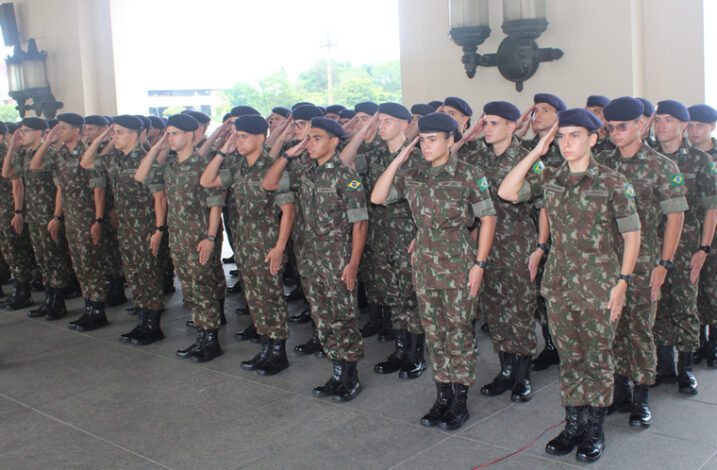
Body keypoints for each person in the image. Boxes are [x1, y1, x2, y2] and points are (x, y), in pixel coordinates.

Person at [498, 108, 640, 462]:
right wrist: (538, 149)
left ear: (594, 139)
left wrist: (622, 283)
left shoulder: (612, 182)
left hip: (599, 285)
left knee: (597, 359)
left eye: (575, 135)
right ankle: (573, 423)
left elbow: (632, 235)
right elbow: (506, 190)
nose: (567, 143)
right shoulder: (551, 178)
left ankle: (594, 428)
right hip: (560, 284)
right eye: (562, 136)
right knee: (570, 358)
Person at [371, 112, 497, 431]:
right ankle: (442, 394)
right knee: (435, 333)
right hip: (425, 263)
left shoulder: (469, 174)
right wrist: (400, 157)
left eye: (433, 140)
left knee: (457, 332)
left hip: (458, 263)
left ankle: (459, 400)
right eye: (423, 140)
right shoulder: (414, 174)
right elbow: (377, 196)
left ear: (450, 141)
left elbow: (488, 219)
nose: (426, 146)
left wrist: (479, 264)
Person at [263, 117, 368, 402]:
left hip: (336, 261)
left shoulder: (348, 176)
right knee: (321, 317)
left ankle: (350, 375)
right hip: (309, 260)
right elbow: (269, 183)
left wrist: (354, 263)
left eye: (316, 138)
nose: (309, 143)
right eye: (307, 138)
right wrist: (288, 154)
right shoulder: (304, 171)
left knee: (342, 317)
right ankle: (336, 372)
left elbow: (359, 224)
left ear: (334, 142)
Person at [601, 97, 687, 428]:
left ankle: (640, 399)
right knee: (611, 329)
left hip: (643, 261)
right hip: (604, 261)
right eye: (610, 127)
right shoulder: (601, 163)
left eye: (623, 126)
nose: (616, 133)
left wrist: (664, 263)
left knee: (639, 330)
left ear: (641, 124)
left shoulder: (662, 167)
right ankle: (619, 392)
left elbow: (675, 218)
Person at [201, 114, 295, 375]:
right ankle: (265, 347)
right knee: (254, 299)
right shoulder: (239, 167)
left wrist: (279, 247)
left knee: (271, 299)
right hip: (244, 245)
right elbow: (206, 180)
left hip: (266, 247)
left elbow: (288, 212)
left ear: (259, 138)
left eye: (243, 137)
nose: (238, 141)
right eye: (237, 136)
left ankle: (278, 352)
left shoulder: (273, 168)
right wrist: (223, 150)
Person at [341, 102, 426, 379]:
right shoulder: (376, 156)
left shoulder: (417, 159)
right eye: (380, 122)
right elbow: (343, 162)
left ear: (405, 124)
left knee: (410, 298)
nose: (382, 126)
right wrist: (364, 126)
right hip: (380, 236)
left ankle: (416, 354)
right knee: (393, 296)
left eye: (387, 121)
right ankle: (400, 350)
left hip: (406, 237)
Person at [135, 113, 226, 362]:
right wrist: (157, 146)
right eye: (168, 133)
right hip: (178, 238)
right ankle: (201, 337)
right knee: (190, 290)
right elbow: (141, 176)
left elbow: (215, 203)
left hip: (199, 238)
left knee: (203, 289)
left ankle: (210, 341)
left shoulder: (203, 164)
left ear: (189, 134)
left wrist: (210, 237)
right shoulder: (171, 165)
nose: (170, 138)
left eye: (174, 133)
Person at [465, 101, 538, 403]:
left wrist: (541, 247)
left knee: (519, 309)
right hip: (487, 246)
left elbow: (544, 206)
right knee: (494, 309)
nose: (487, 128)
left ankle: (522, 375)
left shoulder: (528, 159)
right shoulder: (479, 160)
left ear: (512, 126)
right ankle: (505, 370)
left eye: (494, 123)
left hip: (518, 244)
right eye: (485, 122)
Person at [81, 115, 167, 345]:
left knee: (148, 273)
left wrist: (159, 229)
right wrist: (102, 136)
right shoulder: (115, 159)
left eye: (119, 132)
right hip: (126, 227)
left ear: (135, 135)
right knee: (133, 273)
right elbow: (86, 162)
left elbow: (160, 198)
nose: (114, 136)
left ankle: (153, 325)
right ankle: (143, 320)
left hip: (145, 225)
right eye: (113, 132)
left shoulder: (146, 158)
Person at [652, 100, 717, 395]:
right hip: (652, 245)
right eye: (658, 120)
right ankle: (664, 365)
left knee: (685, 305)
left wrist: (703, 248)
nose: (661, 125)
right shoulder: (648, 158)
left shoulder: (699, 161)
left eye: (668, 120)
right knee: (659, 303)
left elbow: (711, 208)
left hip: (687, 244)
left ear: (682, 124)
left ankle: (685, 368)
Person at [31, 113, 111, 331]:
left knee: (91, 264)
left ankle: (97, 311)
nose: (60, 131)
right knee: (79, 264)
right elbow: (36, 166)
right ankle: (89, 307)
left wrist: (98, 220)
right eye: (58, 127)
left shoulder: (87, 153)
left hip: (86, 217)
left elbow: (99, 190)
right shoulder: (60, 154)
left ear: (77, 130)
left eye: (64, 128)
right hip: (71, 218)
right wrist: (47, 140)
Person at [2, 117, 74, 319]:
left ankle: (58, 303)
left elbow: (60, 188)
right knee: (43, 259)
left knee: (55, 258)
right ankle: (49, 300)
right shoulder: (25, 153)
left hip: (49, 214)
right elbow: (6, 173)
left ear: (39, 133)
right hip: (33, 214)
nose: (21, 134)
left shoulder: (51, 153)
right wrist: (11, 148)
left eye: (25, 131)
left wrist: (57, 216)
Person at [687, 104, 717, 367]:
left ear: (712, 127)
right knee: (694, 289)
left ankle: (714, 344)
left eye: (700, 126)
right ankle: (698, 343)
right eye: (691, 125)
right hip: (690, 233)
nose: (694, 131)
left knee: (713, 289)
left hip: (714, 231)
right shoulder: (684, 156)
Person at [0, 121, 34, 310]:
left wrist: (17, 212)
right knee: (8, 250)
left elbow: (17, 184)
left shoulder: (7, 152)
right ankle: (18, 290)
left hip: (10, 208)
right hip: (3, 208)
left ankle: (23, 292)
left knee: (16, 250)